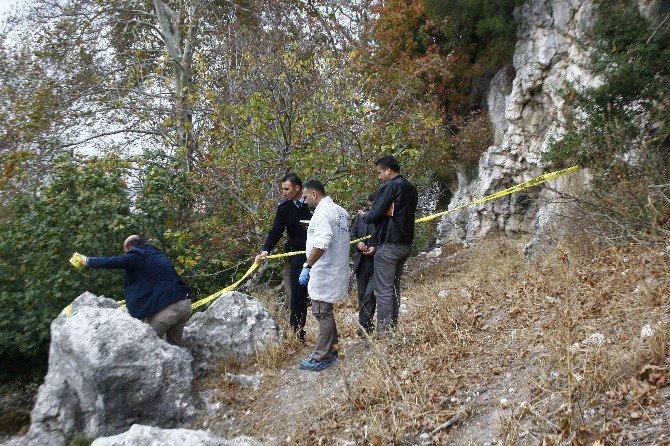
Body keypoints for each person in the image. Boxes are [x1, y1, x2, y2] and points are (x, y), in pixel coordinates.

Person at [78, 235, 192, 346]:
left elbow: (113, 261)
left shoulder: (137, 254)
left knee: (144, 344)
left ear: (130, 247)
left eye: (126, 252)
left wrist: (87, 261)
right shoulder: (157, 254)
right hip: (184, 303)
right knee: (175, 348)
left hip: (168, 306)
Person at [361, 155, 418, 337]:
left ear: (388, 170)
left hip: (389, 244)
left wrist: (364, 215)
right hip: (405, 244)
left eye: (380, 172)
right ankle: (392, 329)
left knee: (383, 290)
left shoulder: (389, 186)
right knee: (394, 289)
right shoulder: (411, 188)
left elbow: (374, 214)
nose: (379, 177)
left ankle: (385, 333)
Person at [297, 180, 350, 372]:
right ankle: (333, 349)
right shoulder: (341, 211)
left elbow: (323, 242)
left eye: (304, 196)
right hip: (337, 269)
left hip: (325, 271)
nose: (303, 201)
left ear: (314, 194)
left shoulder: (322, 213)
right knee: (326, 310)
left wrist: (307, 265)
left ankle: (322, 356)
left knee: (321, 312)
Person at [255, 173, 312, 341]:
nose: (284, 192)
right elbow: (276, 231)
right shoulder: (284, 208)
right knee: (297, 295)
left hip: (318, 253)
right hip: (297, 255)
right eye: (282, 189)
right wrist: (265, 251)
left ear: (297, 187)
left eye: (287, 189)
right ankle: (298, 333)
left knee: (319, 293)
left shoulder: (312, 204)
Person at [350, 193, 377, 335]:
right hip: (361, 263)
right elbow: (352, 235)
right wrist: (358, 243)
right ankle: (367, 326)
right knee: (362, 296)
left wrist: (375, 248)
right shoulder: (360, 218)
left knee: (370, 295)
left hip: (377, 262)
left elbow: (387, 238)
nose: (370, 209)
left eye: (374, 206)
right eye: (369, 206)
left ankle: (363, 326)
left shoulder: (383, 219)